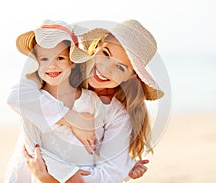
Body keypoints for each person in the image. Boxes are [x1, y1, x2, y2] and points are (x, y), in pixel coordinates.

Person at [14, 19, 165, 182]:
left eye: (120, 67)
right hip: (24, 172)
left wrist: (50, 178)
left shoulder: (117, 114)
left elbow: (108, 176)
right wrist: (71, 119)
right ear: (96, 48)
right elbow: (18, 96)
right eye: (105, 54)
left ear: (131, 76)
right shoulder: (61, 72)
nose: (104, 69)